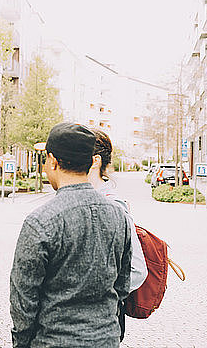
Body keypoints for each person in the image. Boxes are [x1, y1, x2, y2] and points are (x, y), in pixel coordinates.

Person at [10, 122, 132, 348]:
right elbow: (123, 284)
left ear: (53, 161)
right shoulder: (119, 215)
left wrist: (22, 342)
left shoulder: (40, 220)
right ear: (89, 162)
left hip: (54, 339)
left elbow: (23, 297)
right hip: (106, 338)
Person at [87, 129, 148, 341]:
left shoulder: (114, 207)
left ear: (95, 161)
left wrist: (104, 299)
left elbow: (138, 270)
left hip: (104, 324)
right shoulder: (78, 202)